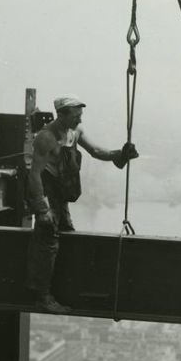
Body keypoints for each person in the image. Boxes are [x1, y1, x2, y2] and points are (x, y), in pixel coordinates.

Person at [25, 94, 139, 313]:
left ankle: (60, 289)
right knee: (47, 242)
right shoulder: (46, 138)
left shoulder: (75, 132)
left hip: (60, 195)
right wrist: (41, 208)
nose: (79, 120)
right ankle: (42, 296)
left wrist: (120, 154)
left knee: (66, 235)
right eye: (76, 116)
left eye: (80, 115)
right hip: (48, 196)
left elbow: (96, 152)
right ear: (62, 115)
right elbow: (35, 175)